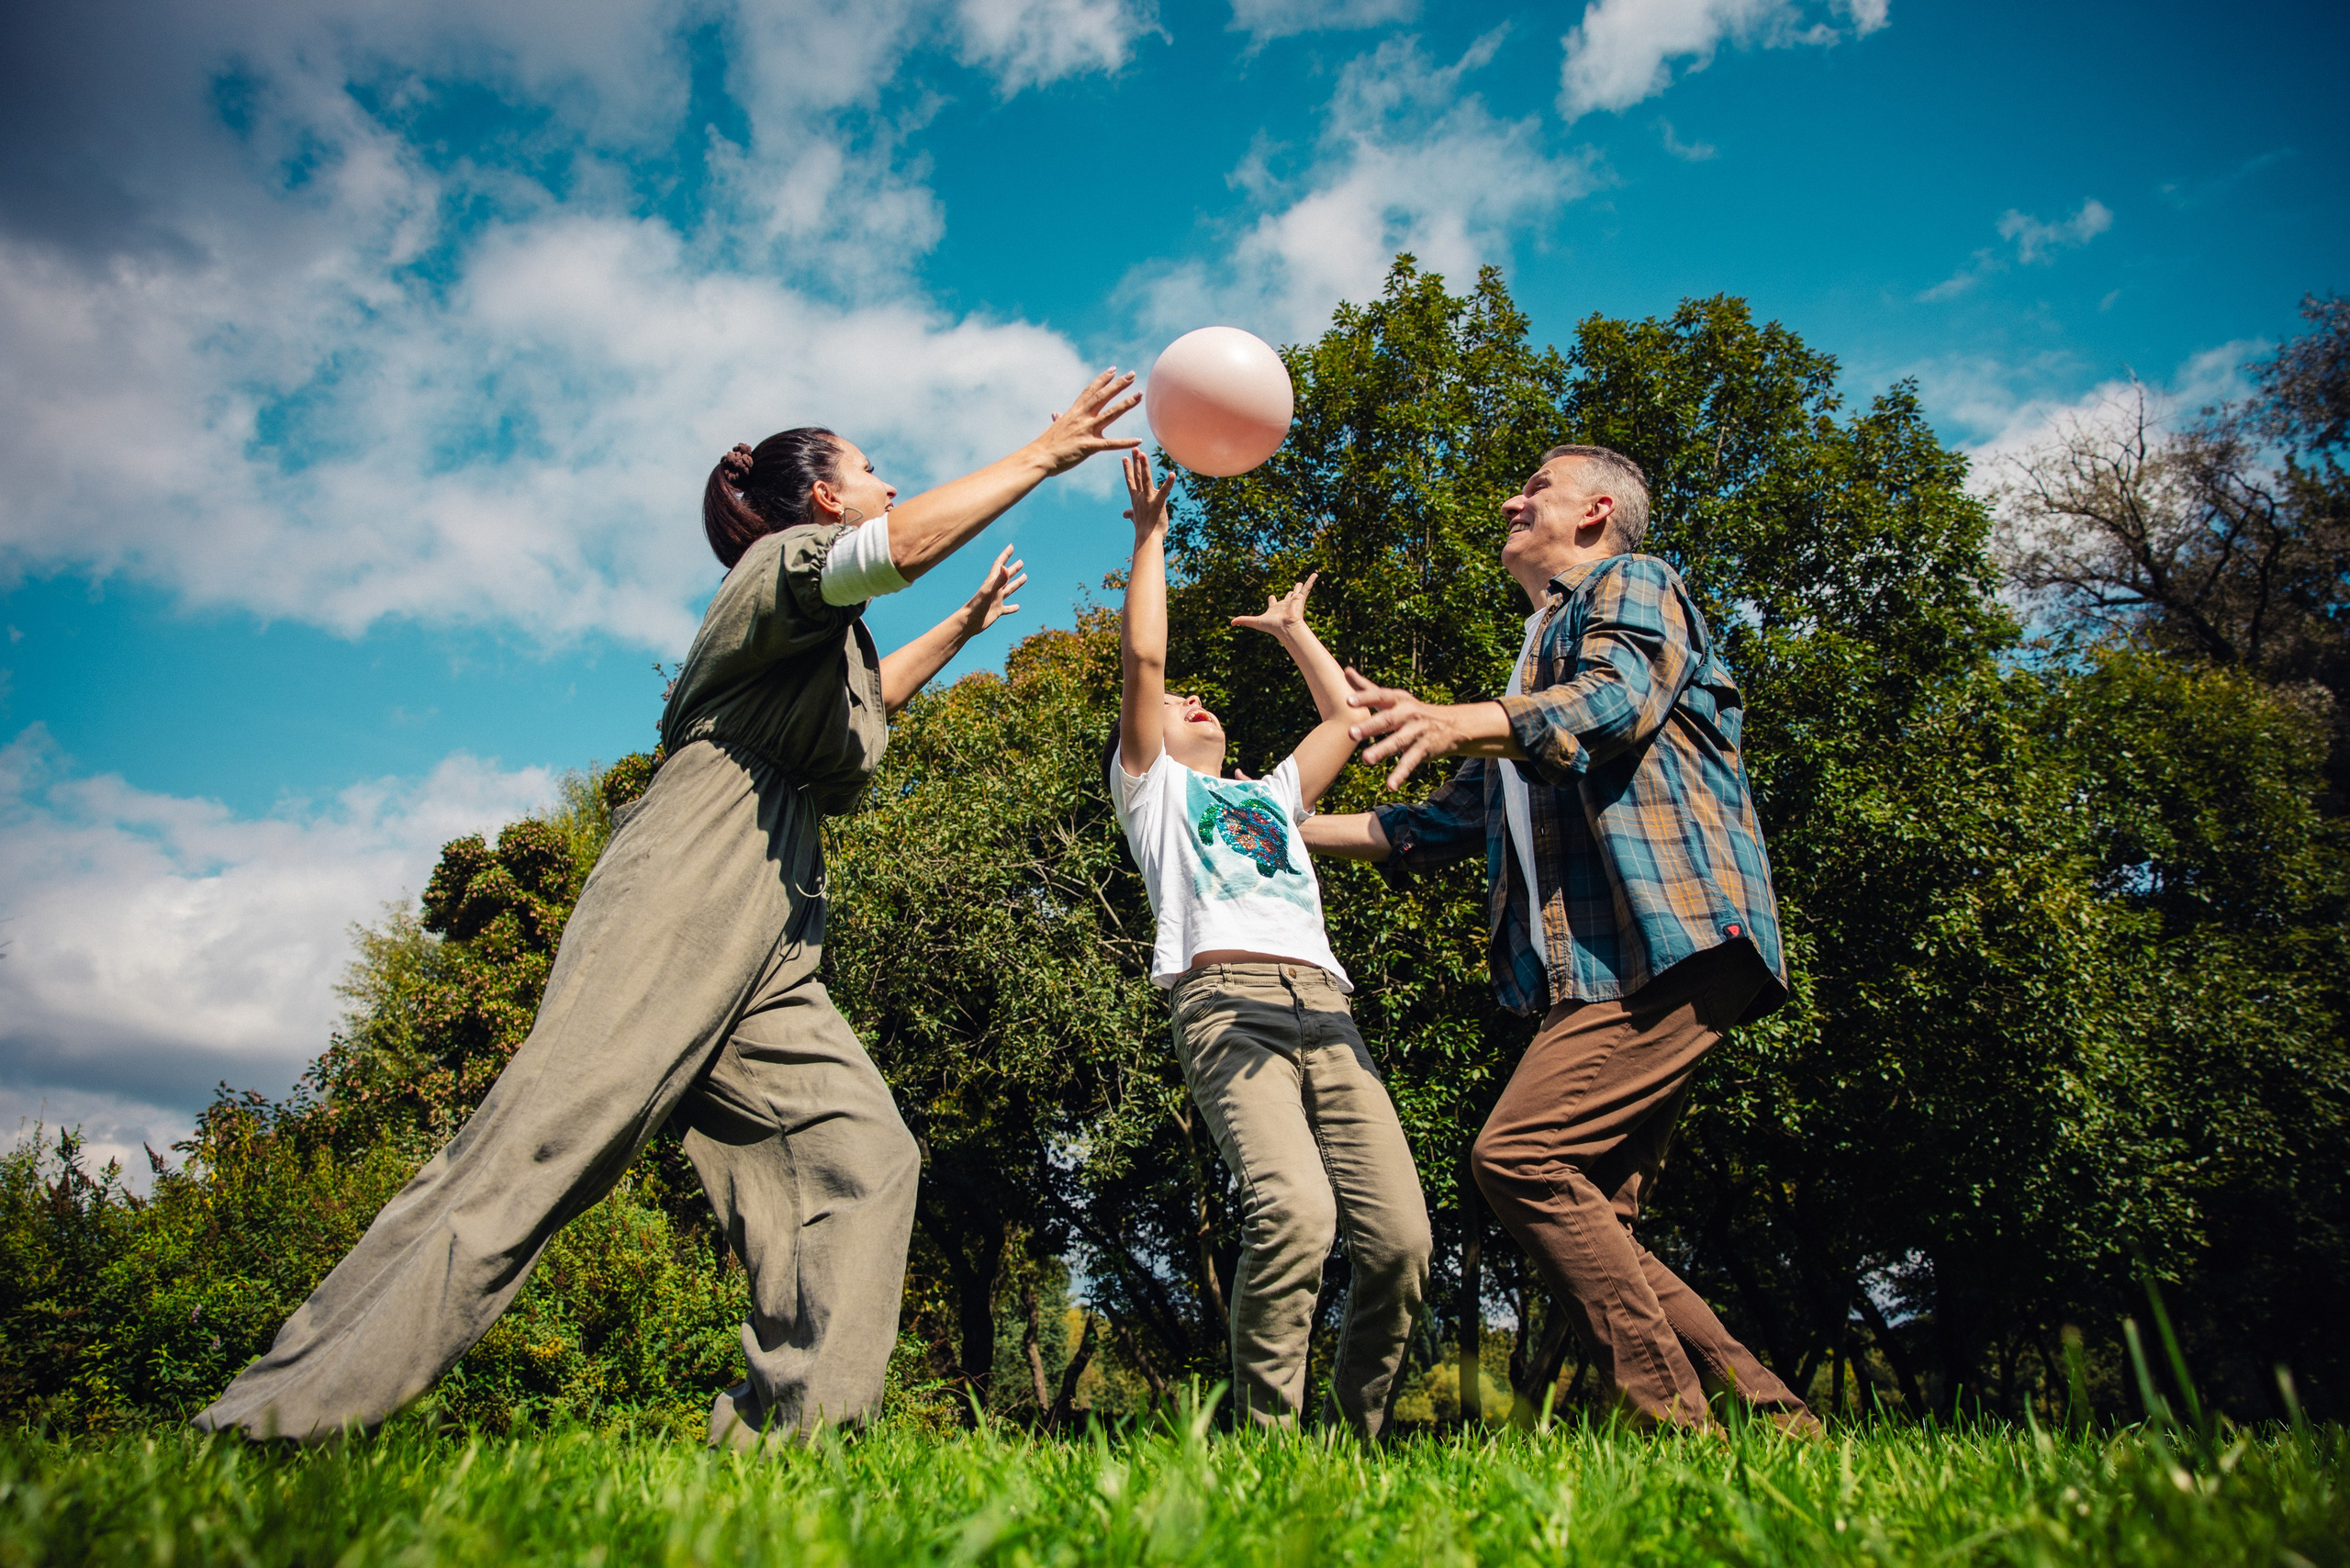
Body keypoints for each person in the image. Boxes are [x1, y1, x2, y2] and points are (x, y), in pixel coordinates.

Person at [193, 370, 1144, 1450]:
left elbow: (864, 711)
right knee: (542, 1146)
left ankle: (790, 1454)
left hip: (774, 925)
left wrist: (963, 633)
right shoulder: (774, 570)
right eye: (870, 468)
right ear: (824, 500)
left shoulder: (829, 645)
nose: (890, 481)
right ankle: (265, 1422)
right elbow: (897, 550)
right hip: (690, 879)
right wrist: (1042, 451)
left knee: (859, 1155)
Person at [1304, 444, 1818, 1435]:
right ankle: (1775, 1424)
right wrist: (1275, 826)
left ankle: (1678, 1427)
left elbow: (1615, 701)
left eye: (1533, 486)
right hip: (1604, 966)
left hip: (1668, 932)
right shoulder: (1530, 659)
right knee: (1597, 1217)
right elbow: (1437, 824)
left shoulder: (1633, 584)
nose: (1511, 497)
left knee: (1521, 1155)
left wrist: (1460, 720)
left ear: (1594, 511)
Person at [1108, 452, 1431, 1436]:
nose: (1187, 697)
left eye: (1199, 697)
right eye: (1174, 705)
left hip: (1326, 1010)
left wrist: (1297, 632)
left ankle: (1355, 1441)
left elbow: (1346, 718)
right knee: (1295, 1212)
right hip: (1228, 1006)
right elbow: (1145, 665)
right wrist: (1151, 535)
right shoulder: (1155, 792)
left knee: (1401, 1243)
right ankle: (1269, 1451)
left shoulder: (1269, 796)